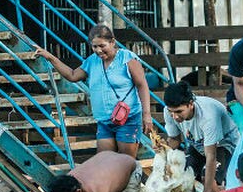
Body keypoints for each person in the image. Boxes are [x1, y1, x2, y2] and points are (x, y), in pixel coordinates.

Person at [33, 24, 153, 158]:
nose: (99, 50)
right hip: (104, 120)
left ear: (112, 42)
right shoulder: (92, 61)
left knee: (125, 162)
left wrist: (146, 115)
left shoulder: (127, 58)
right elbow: (72, 75)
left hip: (128, 119)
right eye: (95, 46)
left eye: (102, 46)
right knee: (103, 161)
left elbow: (142, 85)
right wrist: (50, 57)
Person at [163, 80, 239, 192]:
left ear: (191, 104)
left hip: (224, 144)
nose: (174, 116)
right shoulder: (168, 111)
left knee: (209, 181)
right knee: (183, 179)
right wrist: (163, 150)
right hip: (198, 145)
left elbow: (211, 157)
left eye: (179, 112)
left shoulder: (208, 117)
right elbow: (175, 140)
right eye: (172, 112)